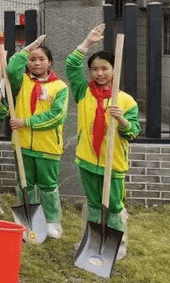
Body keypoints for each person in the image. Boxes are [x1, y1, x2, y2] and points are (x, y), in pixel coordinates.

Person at [65, 24, 141, 259]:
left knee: (115, 206)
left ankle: (117, 243)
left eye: (104, 69)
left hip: (114, 163)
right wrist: (87, 43)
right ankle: (92, 238)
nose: (99, 73)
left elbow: (133, 133)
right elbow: (70, 65)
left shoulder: (125, 101)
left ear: (114, 70)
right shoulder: (83, 91)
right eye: (95, 69)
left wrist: (122, 121)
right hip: (87, 159)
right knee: (94, 204)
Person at [7, 35, 68, 238]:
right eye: (32, 59)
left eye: (41, 59)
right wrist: (30, 47)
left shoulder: (59, 87)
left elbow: (56, 116)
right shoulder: (22, 81)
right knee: (26, 184)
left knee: (48, 186)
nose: (36, 63)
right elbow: (12, 67)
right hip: (22, 144)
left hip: (48, 147)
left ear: (49, 62)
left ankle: (52, 221)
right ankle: (29, 218)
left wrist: (27, 122)